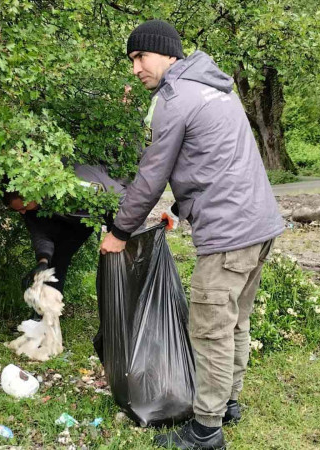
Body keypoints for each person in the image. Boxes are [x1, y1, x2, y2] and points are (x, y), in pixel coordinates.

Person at [99, 20, 286, 449]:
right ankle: (228, 404)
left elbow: (150, 176)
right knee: (235, 320)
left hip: (229, 234)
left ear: (167, 54)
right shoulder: (216, 89)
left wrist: (119, 231)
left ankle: (205, 430)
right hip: (259, 225)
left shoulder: (175, 98)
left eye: (139, 57)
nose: (135, 68)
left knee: (208, 329)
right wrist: (178, 212)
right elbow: (214, 165)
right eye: (131, 60)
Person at [6, 164, 126, 295]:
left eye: (23, 207)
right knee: (55, 263)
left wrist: (120, 233)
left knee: (122, 256)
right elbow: (40, 233)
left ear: (32, 193)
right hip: (77, 222)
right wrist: (43, 261)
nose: (22, 212)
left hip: (127, 209)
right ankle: (47, 312)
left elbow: (123, 199)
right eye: (16, 210)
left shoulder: (75, 182)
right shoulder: (30, 209)